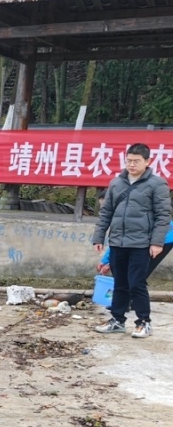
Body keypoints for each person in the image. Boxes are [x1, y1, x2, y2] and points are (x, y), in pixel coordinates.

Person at [91, 143, 171, 339]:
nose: (132, 164)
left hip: (141, 243)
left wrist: (157, 242)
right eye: (129, 160)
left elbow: (163, 216)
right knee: (120, 283)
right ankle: (117, 320)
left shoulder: (156, 184)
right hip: (118, 242)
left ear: (147, 161)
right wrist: (99, 237)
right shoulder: (116, 183)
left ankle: (144, 322)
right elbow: (106, 213)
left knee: (137, 283)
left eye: (136, 161)